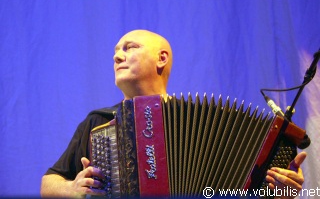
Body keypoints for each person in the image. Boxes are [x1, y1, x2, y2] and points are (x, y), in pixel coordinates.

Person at [40, 29, 307, 198]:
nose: (117, 56)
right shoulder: (99, 121)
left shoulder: (206, 125)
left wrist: (282, 193)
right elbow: (48, 182)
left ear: (162, 58)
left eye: (129, 47)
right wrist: (71, 189)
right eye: (115, 52)